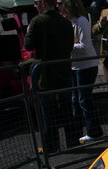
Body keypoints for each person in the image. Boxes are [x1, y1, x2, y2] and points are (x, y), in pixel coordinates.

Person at [24, 0, 79, 152]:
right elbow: (69, 46)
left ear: (42, 3)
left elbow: (28, 45)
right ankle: (72, 141)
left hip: (46, 72)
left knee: (48, 110)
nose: (35, 6)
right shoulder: (65, 22)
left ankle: (51, 146)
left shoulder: (37, 21)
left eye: (36, 2)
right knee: (67, 107)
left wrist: (29, 30)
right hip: (63, 69)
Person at [58, 0, 104, 143]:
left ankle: (94, 131)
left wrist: (66, 46)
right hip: (74, 65)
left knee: (84, 99)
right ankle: (78, 132)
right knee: (75, 100)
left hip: (86, 66)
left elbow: (84, 46)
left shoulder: (81, 21)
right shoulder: (67, 22)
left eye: (60, 3)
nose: (58, 6)